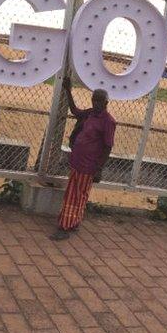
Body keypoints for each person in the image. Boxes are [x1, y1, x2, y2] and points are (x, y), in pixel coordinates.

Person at [50, 77, 116, 241]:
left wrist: (99, 169)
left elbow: (108, 146)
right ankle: (73, 221)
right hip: (78, 161)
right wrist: (68, 90)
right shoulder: (90, 114)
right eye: (94, 100)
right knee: (78, 193)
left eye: (100, 101)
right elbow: (75, 111)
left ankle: (64, 226)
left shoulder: (108, 122)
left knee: (75, 194)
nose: (97, 104)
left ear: (106, 103)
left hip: (88, 165)